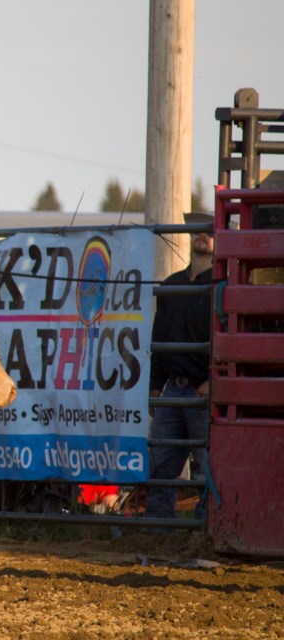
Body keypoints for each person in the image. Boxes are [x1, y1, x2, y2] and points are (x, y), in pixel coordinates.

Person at [145, 212, 215, 523]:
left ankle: (205, 527)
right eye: (198, 230)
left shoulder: (220, 287)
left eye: (209, 231)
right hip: (173, 388)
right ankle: (159, 527)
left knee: (208, 465)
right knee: (162, 464)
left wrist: (214, 380)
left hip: (201, 388)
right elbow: (158, 338)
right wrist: (154, 384)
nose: (202, 236)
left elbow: (226, 340)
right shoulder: (172, 285)